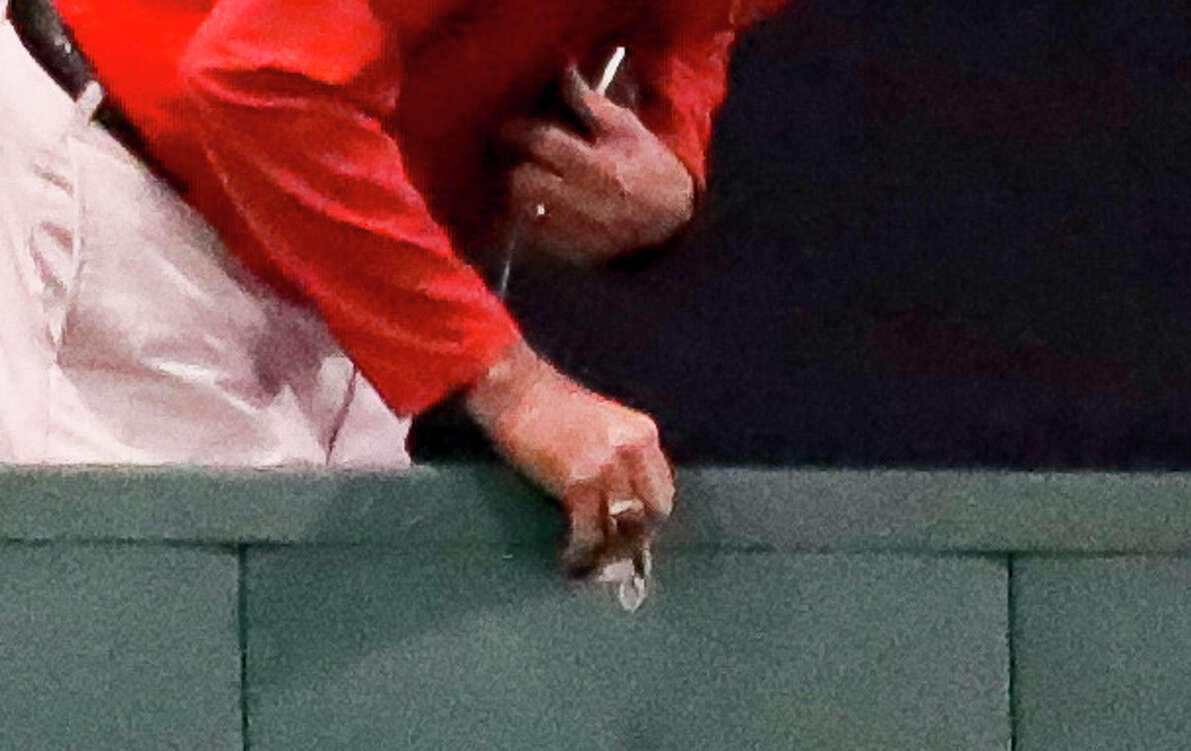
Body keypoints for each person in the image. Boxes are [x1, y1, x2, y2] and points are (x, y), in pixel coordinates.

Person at [0, 0, 784, 567]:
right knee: (123, 678)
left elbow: (707, 18)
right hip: (120, 192)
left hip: (337, 238)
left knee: (306, 728)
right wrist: (517, 390)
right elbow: (258, 79)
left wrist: (673, 164)